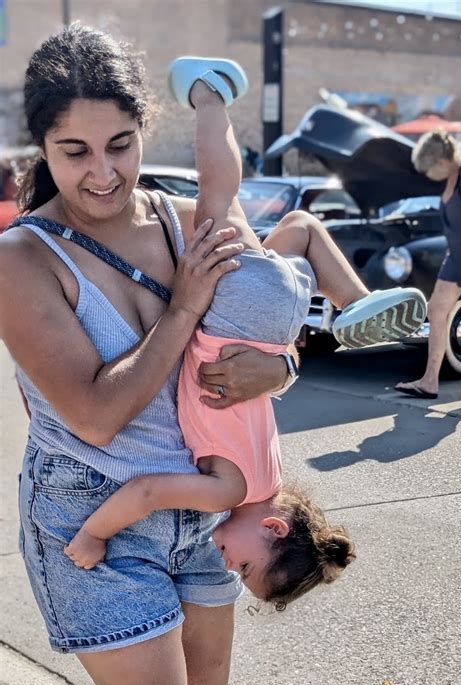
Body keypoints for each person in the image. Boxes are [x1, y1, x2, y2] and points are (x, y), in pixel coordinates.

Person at [0, 29, 421, 685]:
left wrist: (283, 366)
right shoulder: (23, 260)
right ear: (43, 145)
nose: (103, 173)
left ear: (143, 132)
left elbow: (262, 309)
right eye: (76, 152)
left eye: (121, 145)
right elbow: (96, 415)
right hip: (95, 512)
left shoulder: (178, 216)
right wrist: (184, 304)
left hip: (205, 512)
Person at [64, 59, 358, 604]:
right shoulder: (229, 489)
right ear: (273, 529)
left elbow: (261, 393)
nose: (231, 567)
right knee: (217, 198)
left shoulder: (268, 477)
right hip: (236, 318)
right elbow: (149, 492)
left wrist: (285, 364)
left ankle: (356, 299)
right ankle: (208, 93)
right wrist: (93, 533)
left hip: (272, 321)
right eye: (246, 566)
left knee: (293, 232)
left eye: (239, 575)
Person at [395, 130, 461, 399]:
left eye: (428, 170)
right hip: (457, 258)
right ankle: (430, 381)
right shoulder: (452, 178)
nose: (427, 176)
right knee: (436, 310)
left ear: (441, 162)